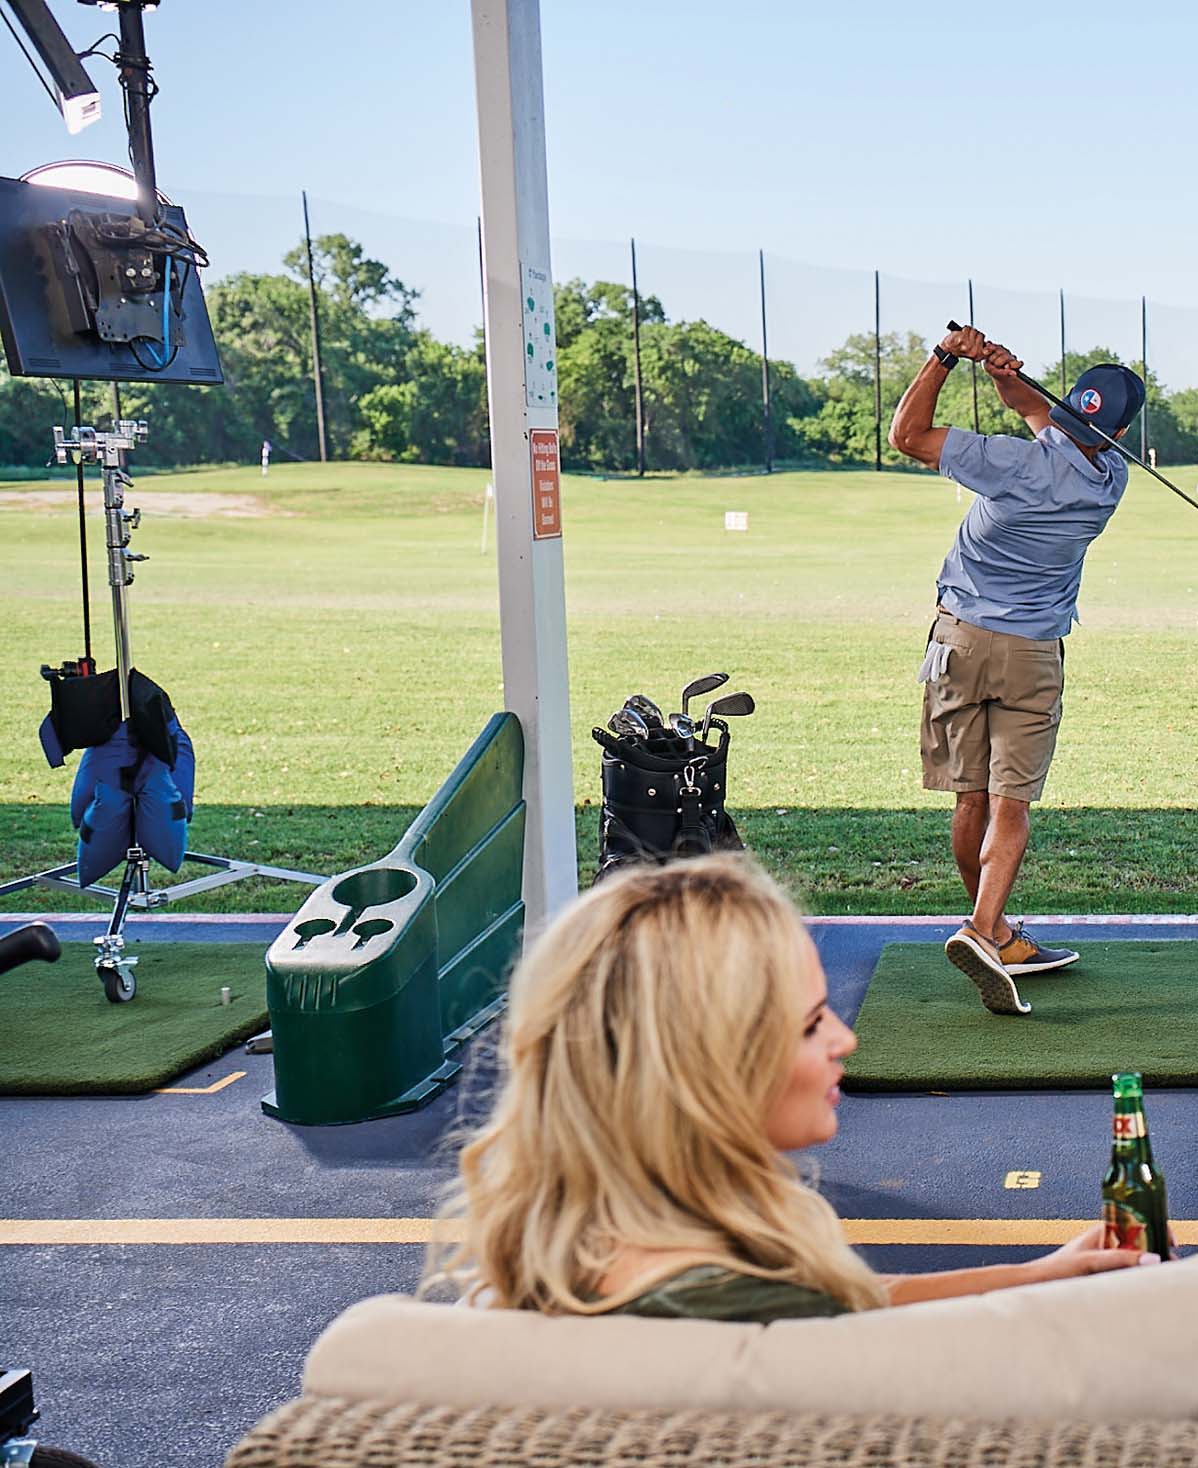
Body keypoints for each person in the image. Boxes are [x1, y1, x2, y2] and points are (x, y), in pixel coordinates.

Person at [423, 854, 1150, 1320]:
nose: (845, 1039)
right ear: (704, 1067)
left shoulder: (580, 1260)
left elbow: (856, 1306)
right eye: (809, 1024)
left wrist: (1039, 1275)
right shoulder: (751, 1312)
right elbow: (836, 1321)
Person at [888, 327, 1145, 1017]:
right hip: (1031, 655)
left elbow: (907, 435)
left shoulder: (1009, 464)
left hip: (960, 643)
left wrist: (947, 357)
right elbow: (1040, 415)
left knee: (969, 799)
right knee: (1011, 804)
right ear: (1118, 431)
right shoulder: (1110, 479)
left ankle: (985, 929)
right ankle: (990, 930)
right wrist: (1006, 377)